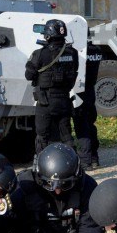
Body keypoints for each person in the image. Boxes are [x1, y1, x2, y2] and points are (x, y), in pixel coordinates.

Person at [25, 19, 79, 153]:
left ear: (48, 35)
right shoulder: (72, 53)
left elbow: (29, 75)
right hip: (64, 100)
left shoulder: (40, 53)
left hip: (46, 101)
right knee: (66, 135)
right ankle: (72, 159)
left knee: (42, 136)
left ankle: (40, 162)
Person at [73, 38, 102, 170]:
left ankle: (85, 161)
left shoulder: (79, 51)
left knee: (82, 127)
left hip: (80, 91)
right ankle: (94, 158)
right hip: (90, 91)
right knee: (90, 125)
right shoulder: (96, 50)